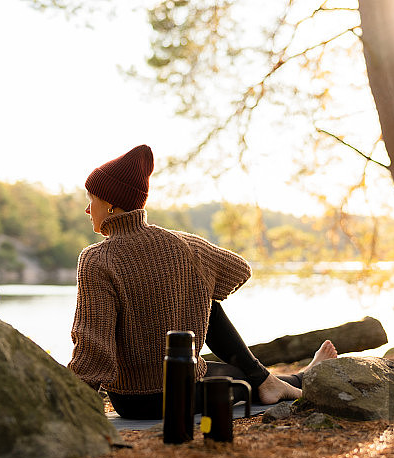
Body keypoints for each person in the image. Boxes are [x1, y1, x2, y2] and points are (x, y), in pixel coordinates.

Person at [68, 144, 337, 419]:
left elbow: (93, 346)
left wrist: (71, 400)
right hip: (184, 388)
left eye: (92, 199)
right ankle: (303, 377)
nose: (88, 210)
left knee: (215, 322)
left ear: (111, 203)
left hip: (135, 403)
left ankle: (294, 378)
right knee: (240, 369)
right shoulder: (185, 245)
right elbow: (239, 270)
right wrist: (186, 292)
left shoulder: (97, 259)